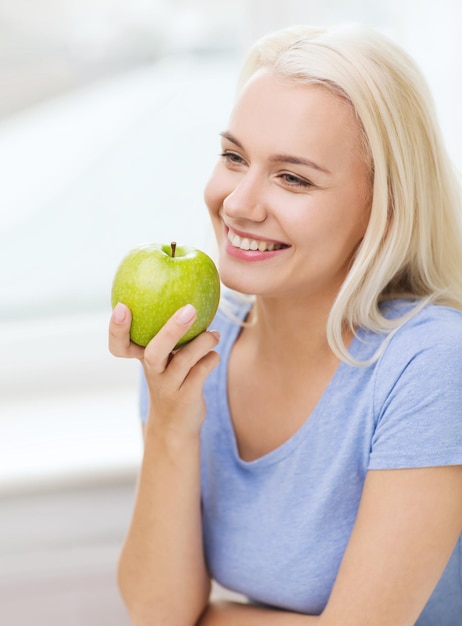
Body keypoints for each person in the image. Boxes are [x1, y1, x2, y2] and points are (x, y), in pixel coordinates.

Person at [109, 23, 462, 626]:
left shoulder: (431, 363)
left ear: (385, 206)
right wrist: (171, 421)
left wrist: (213, 618)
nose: (239, 203)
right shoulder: (191, 339)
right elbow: (158, 611)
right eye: (233, 158)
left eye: (293, 177)